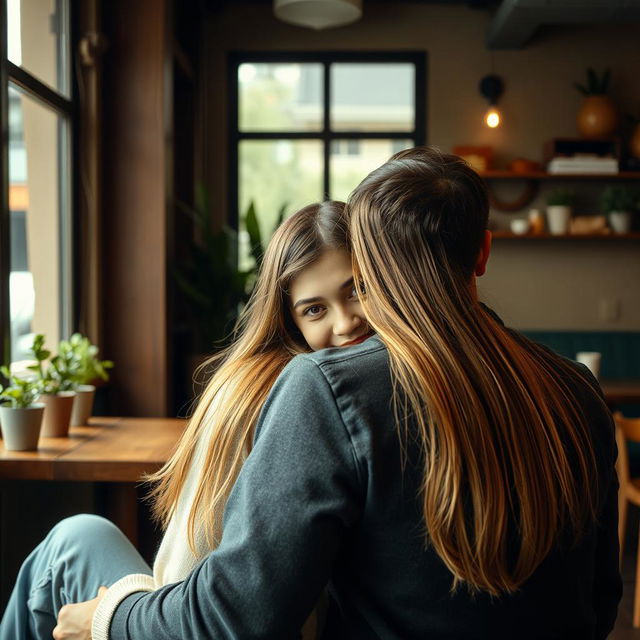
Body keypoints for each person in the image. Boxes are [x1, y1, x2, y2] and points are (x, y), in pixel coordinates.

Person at [55, 146, 620, 639]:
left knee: (69, 552)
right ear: (484, 252)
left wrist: (108, 615)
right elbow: (600, 603)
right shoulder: (579, 390)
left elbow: (236, 619)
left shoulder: (330, 386)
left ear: (371, 265)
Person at [0, 200, 373, 640]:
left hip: (210, 622)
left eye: (357, 291)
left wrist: (109, 617)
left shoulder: (260, 394)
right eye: (314, 310)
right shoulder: (366, 382)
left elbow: (187, 581)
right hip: (219, 614)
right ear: (289, 321)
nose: (346, 322)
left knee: (72, 543)